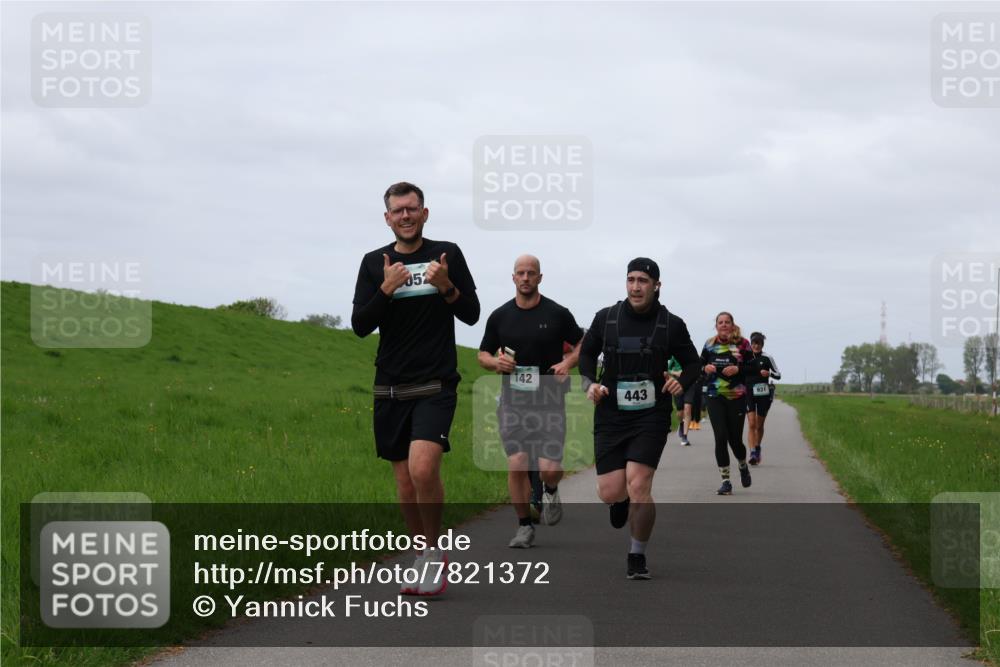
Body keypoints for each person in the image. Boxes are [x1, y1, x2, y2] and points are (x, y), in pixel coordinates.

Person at [351, 182, 480, 596]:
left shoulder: (448, 255)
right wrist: (385, 289)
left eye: (412, 209)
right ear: (387, 218)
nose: (405, 216)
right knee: (405, 484)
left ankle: (434, 551)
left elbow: (472, 314)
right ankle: (422, 554)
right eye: (397, 211)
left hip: (436, 382)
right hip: (390, 385)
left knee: (424, 468)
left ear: (425, 213)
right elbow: (360, 325)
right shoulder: (375, 264)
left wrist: (446, 285)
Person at [579, 258, 700, 579]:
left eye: (643, 280)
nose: (636, 286)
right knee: (610, 491)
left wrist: (681, 381)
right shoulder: (606, 318)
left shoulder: (671, 324)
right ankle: (618, 503)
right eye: (631, 279)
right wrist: (590, 383)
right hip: (611, 413)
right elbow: (586, 354)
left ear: (657, 285)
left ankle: (637, 554)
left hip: (651, 415)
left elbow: (693, 364)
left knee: (639, 483)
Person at [478, 255, 583, 548]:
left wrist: (567, 363)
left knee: (550, 468)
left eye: (531, 273)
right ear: (513, 278)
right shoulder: (500, 316)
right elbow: (482, 354)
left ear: (540, 278)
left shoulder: (558, 313)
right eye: (520, 273)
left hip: (549, 400)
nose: (525, 278)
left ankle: (550, 488)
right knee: (517, 463)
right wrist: (495, 363)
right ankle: (524, 526)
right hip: (512, 401)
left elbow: (582, 343)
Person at [701, 312, 752, 495]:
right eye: (720, 322)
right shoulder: (709, 344)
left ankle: (743, 464)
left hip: (736, 397)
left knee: (735, 441)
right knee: (720, 437)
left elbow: (753, 368)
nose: (723, 325)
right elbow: (700, 366)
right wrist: (705, 368)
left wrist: (738, 369)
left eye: (727, 322)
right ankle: (726, 481)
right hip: (715, 395)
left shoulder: (743, 344)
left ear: (732, 325)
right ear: (716, 326)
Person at [745, 331, 782, 465]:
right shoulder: (745, 358)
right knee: (751, 424)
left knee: (759, 425)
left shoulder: (767, 358)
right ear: (751, 343)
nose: (756, 346)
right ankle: (753, 452)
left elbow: (778, 375)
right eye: (754, 343)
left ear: (762, 344)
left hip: (763, 394)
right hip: (748, 392)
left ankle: (758, 446)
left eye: (759, 344)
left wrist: (769, 373)